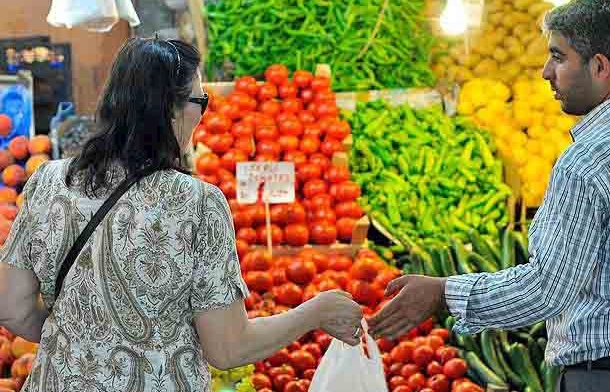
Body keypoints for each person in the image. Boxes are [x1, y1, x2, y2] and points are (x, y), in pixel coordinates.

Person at [369, 0, 610, 392]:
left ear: (599, 66)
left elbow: (547, 287)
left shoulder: (590, 161)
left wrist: (444, 292)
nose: (546, 72)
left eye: (559, 57)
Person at [0, 37, 363, 392]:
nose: (203, 114)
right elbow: (227, 348)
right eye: (200, 101)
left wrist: (84, 341)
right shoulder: (200, 204)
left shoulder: (48, 180)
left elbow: (11, 308)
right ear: (171, 109)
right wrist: (315, 312)